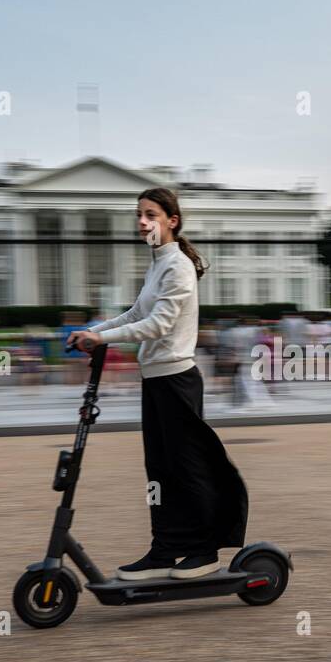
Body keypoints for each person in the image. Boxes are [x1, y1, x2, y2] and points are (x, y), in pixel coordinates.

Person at [67, 187, 248, 581]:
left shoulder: (178, 265)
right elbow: (136, 313)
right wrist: (93, 330)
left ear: (172, 221)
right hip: (156, 381)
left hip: (177, 380)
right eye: (139, 215)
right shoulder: (157, 263)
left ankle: (203, 551)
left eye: (151, 214)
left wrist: (101, 340)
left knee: (187, 467)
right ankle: (165, 549)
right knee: (160, 471)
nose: (142, 222)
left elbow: (159, 324)